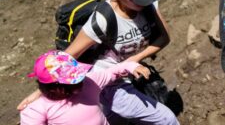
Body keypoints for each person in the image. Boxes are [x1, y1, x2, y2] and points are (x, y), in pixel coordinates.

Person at [18, 0, 179, 125]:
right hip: (106, 82)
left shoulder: (147, 4)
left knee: (113, 119)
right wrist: (41, 92)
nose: (143, 1)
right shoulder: (102, 20)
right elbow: (67, 57)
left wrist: (136, 59)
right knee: (167, 119)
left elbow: (165, 38)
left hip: (128, 71)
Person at [20, 50, 150, 125]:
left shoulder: (89, 83)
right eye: (72, 81)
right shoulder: (36, 109)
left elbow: (113, 71)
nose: (80, 81)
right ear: (54, 87)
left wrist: (133, 67)